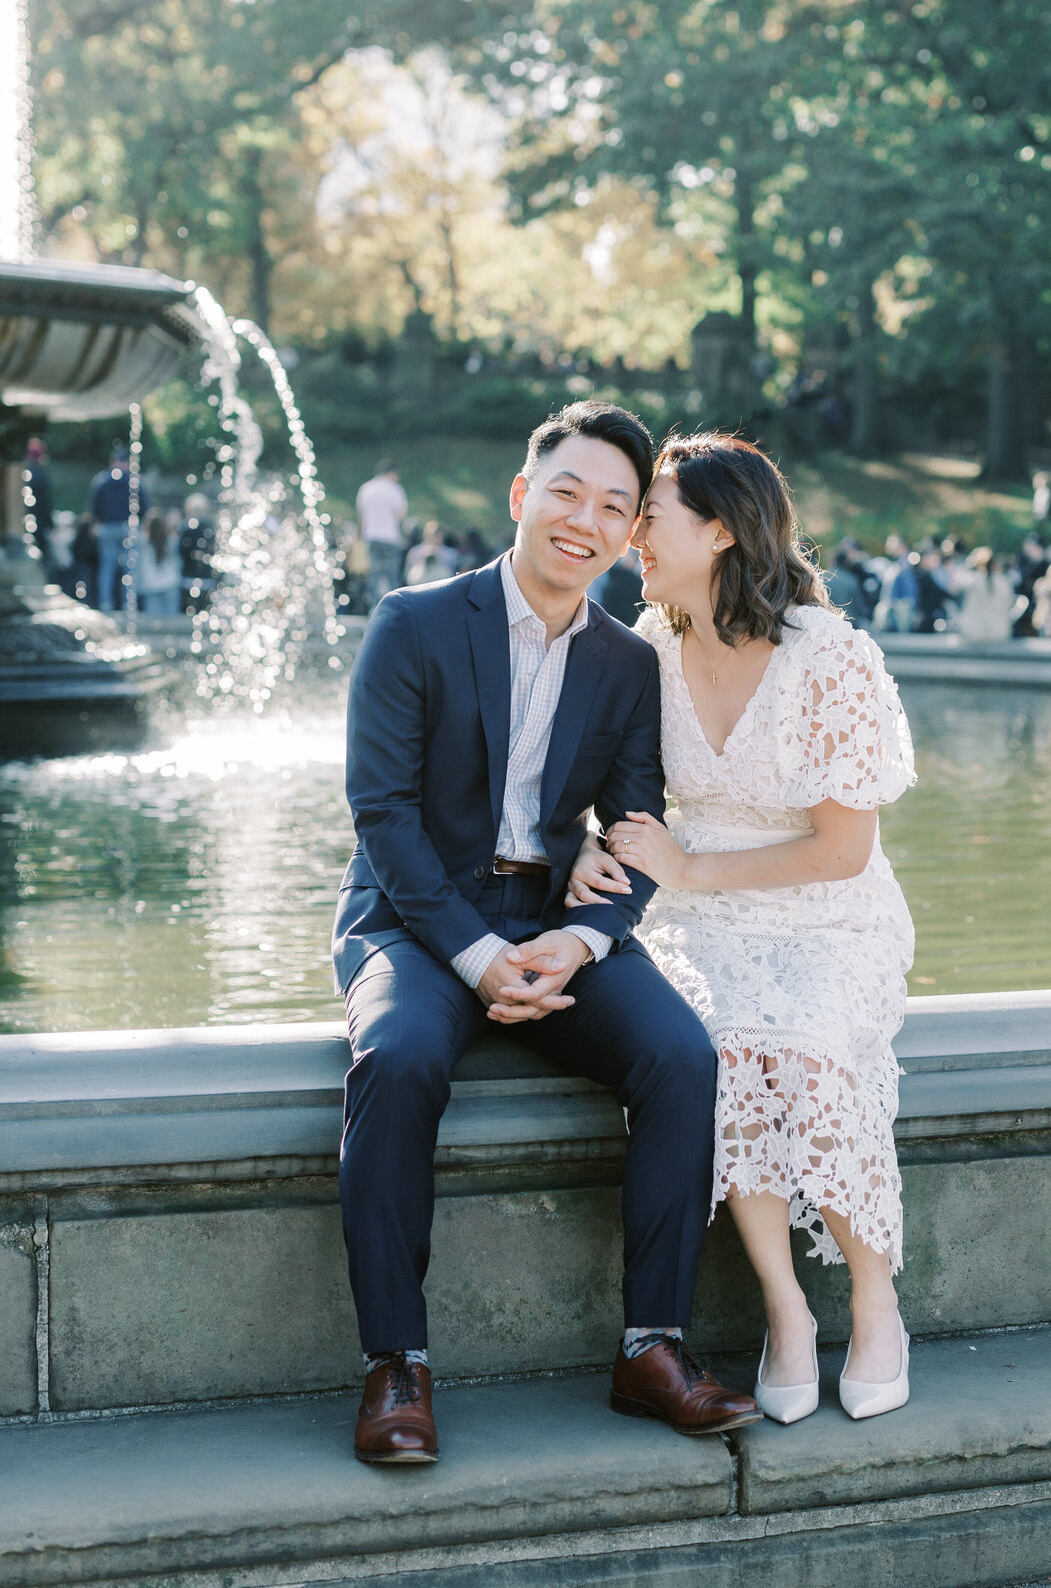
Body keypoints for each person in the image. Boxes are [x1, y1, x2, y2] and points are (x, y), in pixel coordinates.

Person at [333, 400, 760, 1466]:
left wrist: (583, 940)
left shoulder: (627, 664)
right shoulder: (415, 622)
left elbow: (634, 827)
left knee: (680, 1054)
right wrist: (478, 962)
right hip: (418, 921)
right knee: (395, 1058)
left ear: (628, 537)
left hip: (553, 922)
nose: (587, 518)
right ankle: (397, 1364)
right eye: (567, 492)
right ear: (524, 498)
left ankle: (650, 1347)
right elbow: (381, 816)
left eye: (616, 506)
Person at [569, 434, 916, 1425]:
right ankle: (787, 1310)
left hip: (829, 911)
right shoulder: (642, 647)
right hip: (698, 914)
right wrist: (589, 855)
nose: (631, 532)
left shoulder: (830, 655)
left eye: (651, 515)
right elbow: (605, 796)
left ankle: (876, 1299)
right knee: (714, 1051)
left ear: (720, 529)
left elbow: (842, 852)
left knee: (803, 1045)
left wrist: (690, 868)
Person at [88, 444, 143, 613]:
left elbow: (94, 507)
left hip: (107, 528)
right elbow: (145, 507)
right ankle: (129, 604)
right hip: (128, 528)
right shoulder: (134, 481)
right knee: (130, 568)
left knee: (107, 567)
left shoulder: (101, 481)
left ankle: (106, 604)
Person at [355, 460, 409, 606]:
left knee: (374, 572)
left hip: (371, 536)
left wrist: (358, 537)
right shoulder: (395, 490)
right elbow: (401, 515)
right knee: (391, 573)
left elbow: (361, 515)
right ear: (392, 473)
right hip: (390, 537)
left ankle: (374, 606)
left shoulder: (366, 488)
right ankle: (394, 605)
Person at [957, 547, 1017, 642]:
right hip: (999, 632)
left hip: (974, 633)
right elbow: (1010, 602)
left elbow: (957, 583)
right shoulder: (1003, 581)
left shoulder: (972, 580)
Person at [136, 511, 182, 618]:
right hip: (170, 584)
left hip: (151, 586)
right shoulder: (172, 540)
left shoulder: (142, 541)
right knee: (172, 625)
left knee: (152, 626)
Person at [23, 438, 54, 562]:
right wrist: (50, 522)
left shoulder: (23, 473)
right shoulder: (41, 475)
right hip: (40, 520)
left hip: (27, 519)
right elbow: (46, 502)